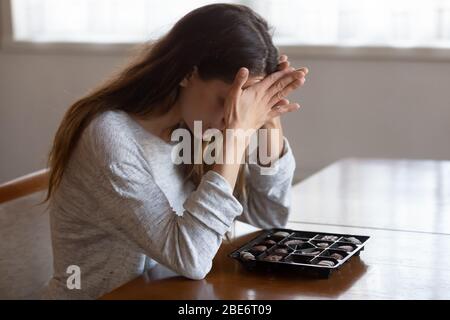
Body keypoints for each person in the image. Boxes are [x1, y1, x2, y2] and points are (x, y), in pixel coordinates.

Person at [42, 3, 308, 299]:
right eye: (225, 99)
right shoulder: (110, 137)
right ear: (187, 73)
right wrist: (238, 134)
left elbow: (268, 220)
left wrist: (269, 118)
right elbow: (191, 258)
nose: (232, 116)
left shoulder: (191, 130)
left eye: (243, 104)